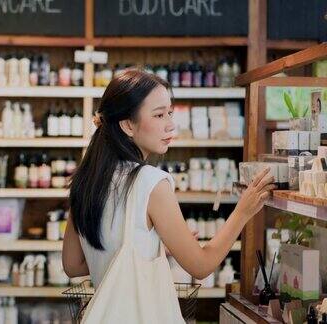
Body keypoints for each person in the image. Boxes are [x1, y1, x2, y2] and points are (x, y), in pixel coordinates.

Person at [62, 69, 274, 322]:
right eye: (159, 115)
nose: (171, 124)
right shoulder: (150, 182)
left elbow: (73, 265)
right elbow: (201, 265)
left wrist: (147, 249)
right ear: (128, 124)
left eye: (170, 113)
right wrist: (243, 211)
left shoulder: (85, 181)